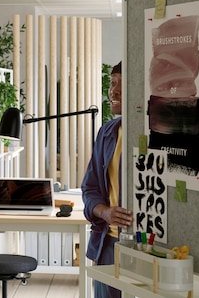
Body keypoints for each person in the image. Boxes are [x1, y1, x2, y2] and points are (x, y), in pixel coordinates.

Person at [82, 61, 132, 298]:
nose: (114, 91)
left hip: (145, 247)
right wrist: (104, 212)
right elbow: (90, 187)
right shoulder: (107, 132)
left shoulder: (155, 134)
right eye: (113, 84)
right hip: (107, 244)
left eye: (122, 84)